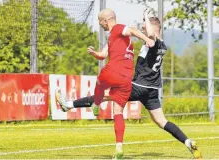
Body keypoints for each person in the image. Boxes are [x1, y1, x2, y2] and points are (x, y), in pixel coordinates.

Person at [55, 9, 201, 159]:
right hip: (152, 90)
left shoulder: (154, 42)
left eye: (145, 25)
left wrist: (146, 16)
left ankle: (69, 105)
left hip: (139, 86)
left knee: (105, 96)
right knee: (161, 121)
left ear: (153, 27)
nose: (143, 28)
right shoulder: (163, 46)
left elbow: (150, 34)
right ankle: (188, 142)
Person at [56, 8, 155, 159]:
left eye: (100, 22)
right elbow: (103, 55)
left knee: (99, 81)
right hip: (127, 79)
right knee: (117, 111)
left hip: (115, 71)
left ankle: (96, 103)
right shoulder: (117, 38)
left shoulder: (117, 28)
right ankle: (119, 147)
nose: (100, 24)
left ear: (105, 21)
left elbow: (133, 31)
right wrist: (95, 53)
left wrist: (147, 39)